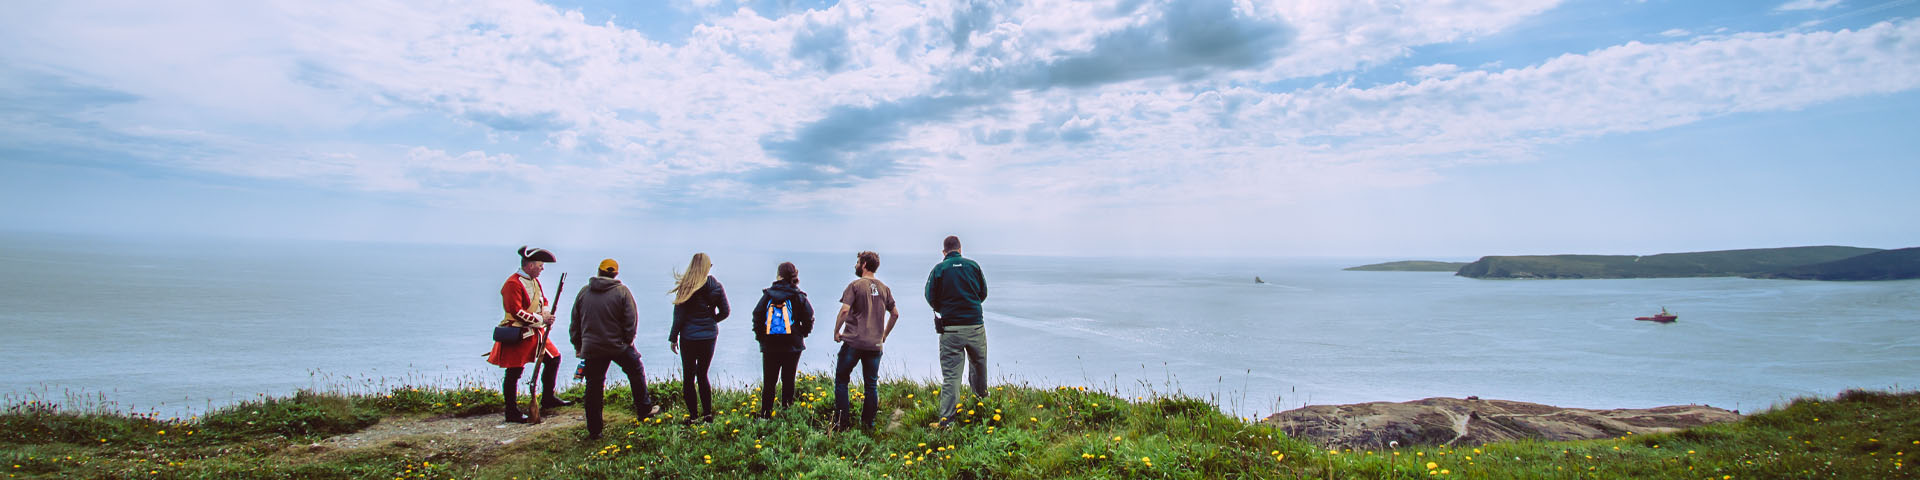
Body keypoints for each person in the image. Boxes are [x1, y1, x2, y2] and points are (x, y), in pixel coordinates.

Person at [570, 259, 658, 440]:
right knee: (635, 371)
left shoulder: (584, 293)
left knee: (594, 385)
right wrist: (627, 342)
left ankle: (594, 430)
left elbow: (575, 323)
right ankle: (644, 410)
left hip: (592, 347)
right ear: (615, 274)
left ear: (598, 271)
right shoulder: (622, 292)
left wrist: (578, 346)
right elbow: (630, 321)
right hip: (618, 346)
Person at [488, 246, 573, 424]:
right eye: (540, 265)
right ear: (530, 265)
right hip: (520, 332)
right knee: (514, 372)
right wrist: (542, 319)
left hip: (535, 332)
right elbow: (515, 311)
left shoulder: (533, 281)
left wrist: (547, 314)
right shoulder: (512, 283)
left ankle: (548, 398)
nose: (542, 268)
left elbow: (543, 301)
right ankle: (511, 411)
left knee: (554, 358)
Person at [832, 251, 899, 431]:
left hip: (854, 341)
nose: (855, 265)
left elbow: (845, 311)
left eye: (857, 262)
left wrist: (836, 331)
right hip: (875, 345)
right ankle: (868, 425)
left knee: (841, 380)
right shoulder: (884, 288)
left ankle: (842, 423)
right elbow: (895, 314)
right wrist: (884, 335)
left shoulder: (855, 285)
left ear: (863, 265)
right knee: (871, 384)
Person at [926, 235, 988, 428]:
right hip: (975, 326)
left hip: (950, 328)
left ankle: (947, 422)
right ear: (960, 249)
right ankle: (982, 411)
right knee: (979, 367)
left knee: (952, 376)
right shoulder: (973, 266)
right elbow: (983, 293)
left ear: (944, 252)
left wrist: (943, 308)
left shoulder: (939, 269)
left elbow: (930, 296)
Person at [668, 252, 728, 424]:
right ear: (707, 267)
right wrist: (711, 321)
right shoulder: (716, 286)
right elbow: (725, 311)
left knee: (689, 376)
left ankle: (693, 415)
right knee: (702, 374)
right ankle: (707, 414)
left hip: (689, 337)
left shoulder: (686, 286)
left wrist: (673, 338)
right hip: (709, 336)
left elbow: (678, 317)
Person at [751, 262, 815, 419]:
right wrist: (802, 334)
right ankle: (786, 412)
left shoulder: (768, 295)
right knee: (788, 379)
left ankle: (765, 415)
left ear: (779, 276)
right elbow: (809, 317)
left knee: (769, 381)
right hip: (793, 345)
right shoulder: (799, 296)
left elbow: (757, 315)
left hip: (770, 345)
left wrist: (761, 337)